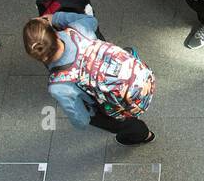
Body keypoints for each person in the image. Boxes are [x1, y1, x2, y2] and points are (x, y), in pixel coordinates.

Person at [23, 11, 155, 146]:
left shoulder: (58, 85)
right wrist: (55, 18)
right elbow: (91, 20)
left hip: (117, 101)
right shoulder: (78, 29)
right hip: (141, 77)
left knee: (118, 123)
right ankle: (140, 126)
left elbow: (81, 120)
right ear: (55, 33)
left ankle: (143, 134)